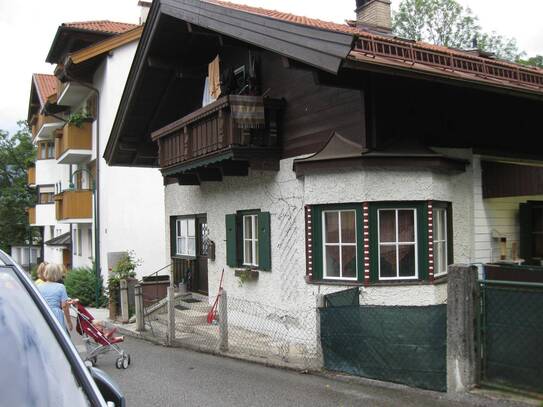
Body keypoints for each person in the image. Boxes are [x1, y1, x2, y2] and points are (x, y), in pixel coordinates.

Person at [38, 263, 73, 332]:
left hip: (43, 312)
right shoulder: (61, 287)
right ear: (58, 274)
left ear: (46, 272)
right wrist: (69, 322)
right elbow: (64, 306)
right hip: (56, 313)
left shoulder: (39, 286)